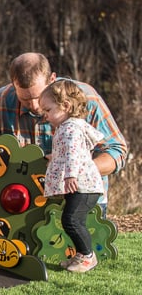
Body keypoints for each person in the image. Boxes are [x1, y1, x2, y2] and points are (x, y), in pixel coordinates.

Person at [0, 52, 127, 218]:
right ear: (13, 85)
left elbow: (117, 151)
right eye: (24, 99)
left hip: (80, 199)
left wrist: (76, 168)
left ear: (52, 79)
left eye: (38, 96)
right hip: (24, 203)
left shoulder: (85, 99)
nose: (33, 105)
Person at [40, 80, 104, 272]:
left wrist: (70, 176)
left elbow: (73, 154)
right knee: (74, 220)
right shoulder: (67, 127)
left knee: (71, 220)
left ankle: (87, 257)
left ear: (65, 106)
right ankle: (81, 255)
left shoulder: (70, 128)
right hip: (83, 184)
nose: (45, 115)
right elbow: (71, 151)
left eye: (48, 110)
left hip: (83, 186)